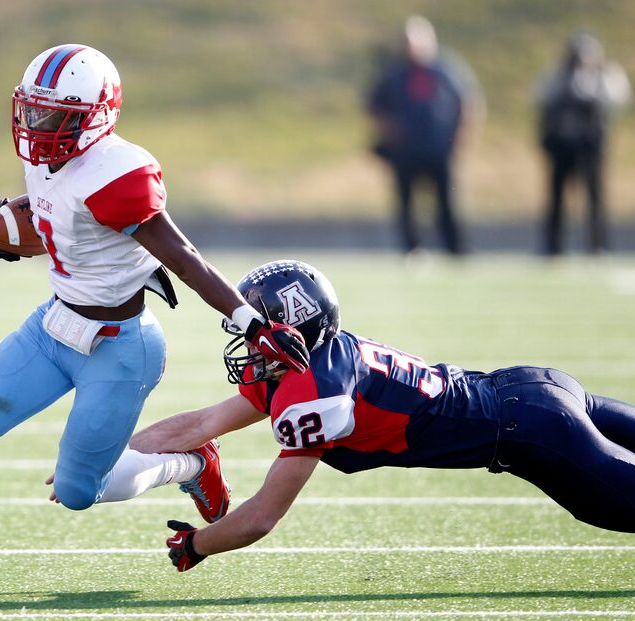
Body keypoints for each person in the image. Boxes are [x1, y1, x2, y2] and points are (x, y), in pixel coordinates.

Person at [0, 44, 309, 596]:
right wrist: (22, 232)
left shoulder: (119, 172)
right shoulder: (42, 155)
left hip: (121, 346)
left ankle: (190, 465)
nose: (39, 125)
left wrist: (250, 322)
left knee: (81, 490)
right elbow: (59, 208)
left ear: (98, 116)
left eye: (56, 115)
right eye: (33, 110)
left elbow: (181, 253)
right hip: (54, 326)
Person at [127, 259, 635, 571]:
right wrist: (109, 458)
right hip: (533, 391)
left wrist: (198, 544)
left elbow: (262, 516)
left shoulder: (312, 393)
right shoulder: (310, 362)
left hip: (533, 432)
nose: (248, 342)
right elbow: (198, 425)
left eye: (259, 328)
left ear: (292, 329)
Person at [367, 16, 483, 255]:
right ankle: (413, 249)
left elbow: (468, 101)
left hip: (439, 147)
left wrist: (462, 135)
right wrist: (389, 130)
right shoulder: (394, 73)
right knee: (407, 203)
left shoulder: (445, 69)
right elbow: (375, 105)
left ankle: (455, 248)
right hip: (406, 150)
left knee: (448, 200)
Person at [535, 31, 630, 256]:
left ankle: (597, 245)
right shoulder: (557, 77)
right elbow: (541, 99)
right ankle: (553, 245)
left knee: (595, 198)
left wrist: (598, 79)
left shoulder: (603, 76)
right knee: (557, 199)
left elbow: (618, 98)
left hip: (590, 147)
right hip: (562, 148)